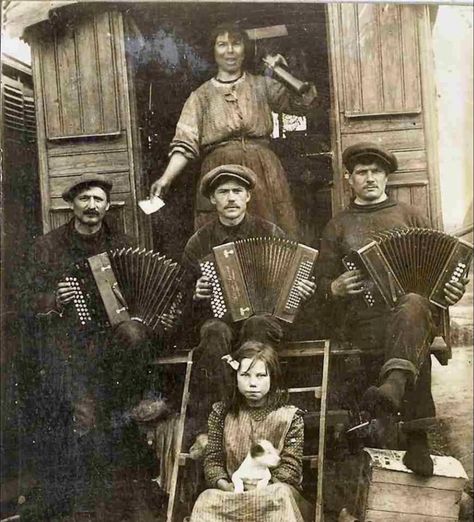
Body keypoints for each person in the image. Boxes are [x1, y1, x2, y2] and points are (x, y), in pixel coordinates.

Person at [18, 174, 166, 521]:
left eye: (98, 199)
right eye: (84, 199)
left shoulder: (123, 242)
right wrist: (55, 298)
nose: (91, 206)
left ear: (107, 205)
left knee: (131, 343)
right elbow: (24, 300)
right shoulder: (47, 248)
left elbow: (142, 293)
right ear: (71, 205)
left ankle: (124, 501)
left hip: (112, 351)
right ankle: (85, 507)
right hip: (68, 348)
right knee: (84, 419)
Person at [316, 142, 468, 476]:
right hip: (362, 320)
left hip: (410, 315)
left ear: (387, 177)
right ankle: (415, 434)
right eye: (361, 172)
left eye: (376, 172)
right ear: (349, 178)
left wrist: (452, 289)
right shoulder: (338, 226)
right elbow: (318, 285)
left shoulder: (410, 216)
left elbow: (441, 270)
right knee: (413, 329)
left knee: (413, 306)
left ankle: (398, 398)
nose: (369, 178)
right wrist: (334, 287)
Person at [181, 164, 316, 442]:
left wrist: (300, 288)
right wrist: (197, 292)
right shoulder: (199, 242)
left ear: (248, 197)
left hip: (265, 320)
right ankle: (220, 417)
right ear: (213, 200)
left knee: (256, 323)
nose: (231, 198)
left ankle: (258, 415)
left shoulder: (270, 232)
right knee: (213, 332)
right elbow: (182, 296)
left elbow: (294, 277)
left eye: (237, 191)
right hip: (221, 320)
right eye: (223, 192)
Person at [150, 22, 318, 238]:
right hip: (220, 171)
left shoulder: (262, 85)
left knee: (271, 233)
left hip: (264, 172)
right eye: (222, 44)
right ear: (213, 51)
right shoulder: (200, 97)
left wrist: (280, 72)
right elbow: (185, 142)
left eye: (236, 44)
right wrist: (165, 179)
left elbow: (304, 102)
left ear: (245, 49)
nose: (229, 51)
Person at [189, 341, 313, 522]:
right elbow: (213, 460)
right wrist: (227, 486)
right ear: (236, 376)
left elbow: (290, 468)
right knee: (206, 499)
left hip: (272, 491)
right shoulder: (221, 413)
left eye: (261, 375)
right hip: (234, 492)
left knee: (280, 494)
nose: (253, 383)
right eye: (245, 375)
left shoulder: (290, 416)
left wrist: (261, 488)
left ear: (273, 377)